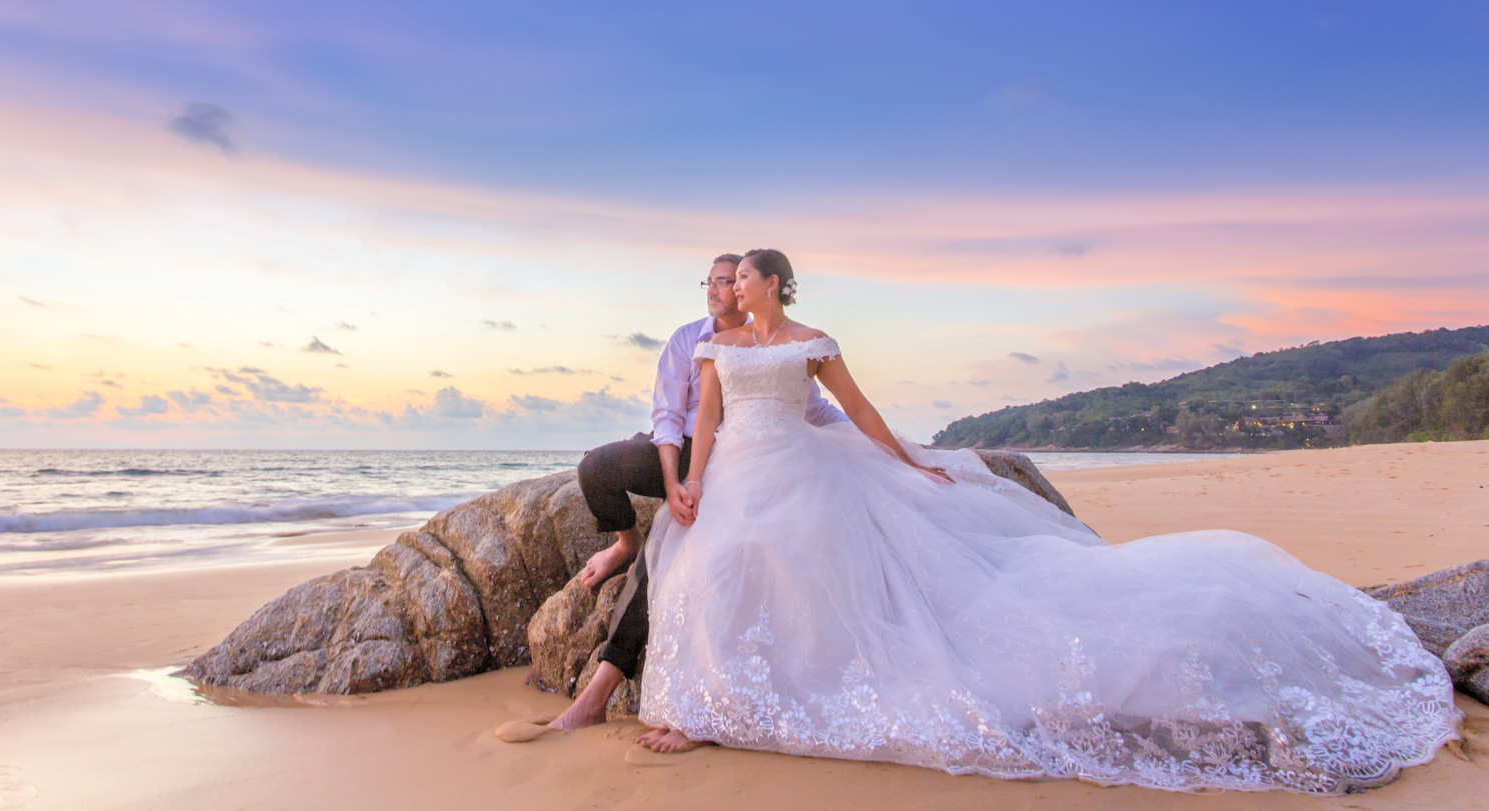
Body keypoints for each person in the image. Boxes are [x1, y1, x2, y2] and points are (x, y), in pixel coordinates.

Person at [633, 249, 1459, 792]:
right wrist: (691, 481)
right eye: (726, 280)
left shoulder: (813, 340)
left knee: (815, 571)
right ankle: (700, 706)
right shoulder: (718, 348)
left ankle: (748, 702)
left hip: (806, 466)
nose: (728, 289)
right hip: (742, 467)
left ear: (773, 281)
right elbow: (704, 419)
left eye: (740, 277)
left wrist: (911, 461)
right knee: (714, 558)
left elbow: (857, 406)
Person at [541, 253, 849, 733]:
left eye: (729, 281)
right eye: (713, 281)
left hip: (730, 459)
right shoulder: (688, 338)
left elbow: (809, 406)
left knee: (664, 561)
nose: (717, 288)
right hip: (676, 451)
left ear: (750, 289)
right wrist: (674, 482)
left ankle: (599, 690)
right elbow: (666, 417)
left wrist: (866, 442)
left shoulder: (764, 342)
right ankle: (625, 541)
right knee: (596, 468)